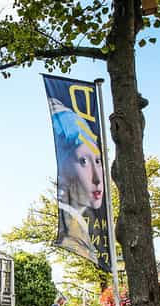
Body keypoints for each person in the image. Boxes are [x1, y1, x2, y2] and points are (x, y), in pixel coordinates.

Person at [49, 98, 104, 265]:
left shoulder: (83, 225)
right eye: (83, 162)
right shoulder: (73, 227)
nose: (96, 178)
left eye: (97, 161)